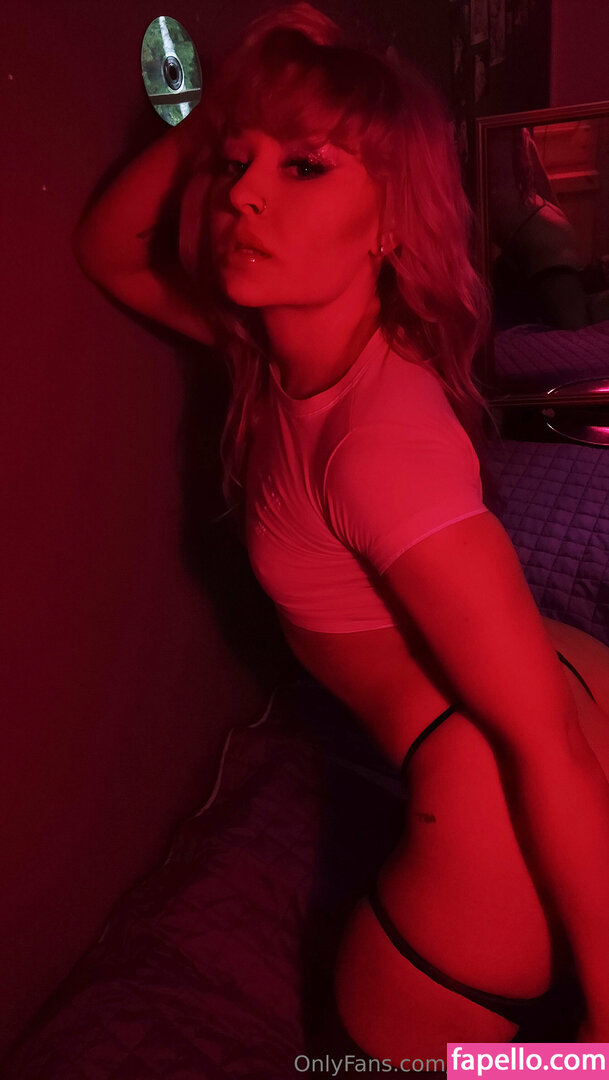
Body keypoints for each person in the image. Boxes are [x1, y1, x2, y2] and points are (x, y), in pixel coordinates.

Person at [72, 1, 609, 1065]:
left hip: (494, 785)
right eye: (236, 163)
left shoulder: (376, 449)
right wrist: (225, 102)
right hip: (552, 688)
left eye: (305, 167)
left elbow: (540, 737)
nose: (244, 192)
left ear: (389, 224)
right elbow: (111, 251)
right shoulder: (283, 349)